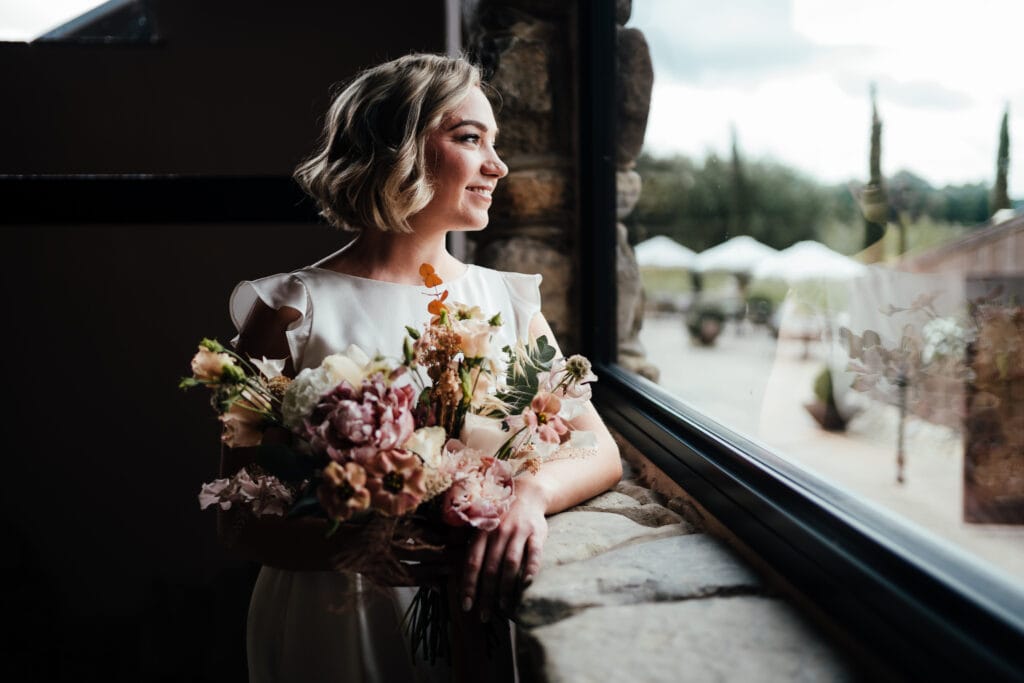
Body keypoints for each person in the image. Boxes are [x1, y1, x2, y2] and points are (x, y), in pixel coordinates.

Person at [220, 53, 622, 682]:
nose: (499, 165)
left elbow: (597, 445)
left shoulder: (509, 304)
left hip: (476, 610)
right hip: (337, 617)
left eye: (496, 143)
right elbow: (239, 516)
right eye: (470, 139)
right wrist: (362, 544)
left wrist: (529, 495)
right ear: (395, 147)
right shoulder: (289, 311)